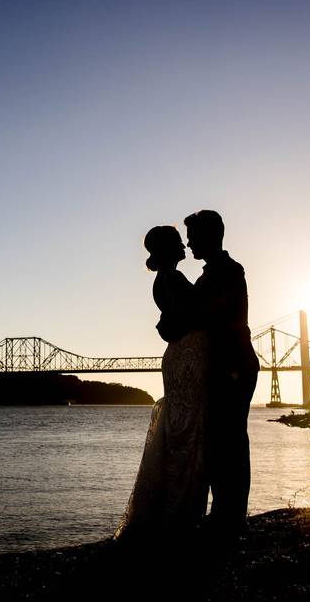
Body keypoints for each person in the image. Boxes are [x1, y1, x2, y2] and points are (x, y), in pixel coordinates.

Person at [114, 225, 210, 542]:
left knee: (180, 432)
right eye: (177, 241)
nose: (184, 244)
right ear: (168, 249)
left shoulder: (162, 280)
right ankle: (180, 515)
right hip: (188, 357)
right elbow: (194, 316)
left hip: (178, 357)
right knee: (189, 434)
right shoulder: (173, 279)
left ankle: (172, 511)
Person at [184, 209, 259, 538]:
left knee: (230, 441)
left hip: (234, 367)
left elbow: (211, 318)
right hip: (224, 367)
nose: (188, 243)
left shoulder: (228, 271)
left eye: (193, 236)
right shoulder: (209, 275)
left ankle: (231, 516)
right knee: (219, 440)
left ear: (209, 236)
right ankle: (224, 512)